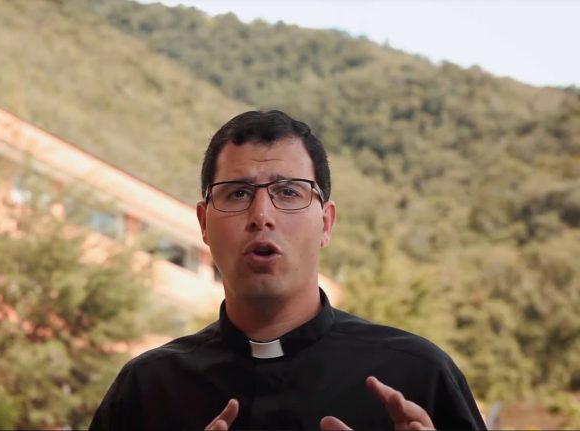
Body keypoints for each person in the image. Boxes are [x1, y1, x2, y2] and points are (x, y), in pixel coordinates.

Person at [89, 110, 486, 430]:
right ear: (204, 223)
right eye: (238, 193)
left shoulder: (418, 375)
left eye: (288, 192)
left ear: (326, 223)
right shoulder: (146, 389)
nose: (261, 215)